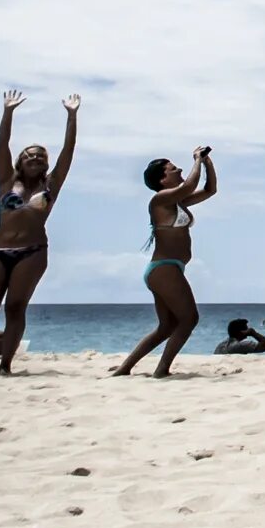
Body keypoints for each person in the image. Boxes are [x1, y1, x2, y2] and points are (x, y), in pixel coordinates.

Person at [0, 89, 78, 375]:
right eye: (29, 155)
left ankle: (5, 366)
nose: (35, 158)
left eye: (40, 156)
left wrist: (72, 117)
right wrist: (8, 112)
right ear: (20, 161)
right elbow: (2, 144)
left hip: (32, 251)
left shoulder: (51, 185)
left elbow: (68, 151)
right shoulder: (6, 180)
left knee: (14, 308)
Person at [114, 148, 217, 378]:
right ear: (162, 179)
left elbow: (210, 190)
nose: (179, 169)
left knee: (167, 327)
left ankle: (124, 368)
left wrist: (207, 162)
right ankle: (161, 369)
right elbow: (189, 186)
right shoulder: (159, 199)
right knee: (189, 319)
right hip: (164, 269)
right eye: (173, 169)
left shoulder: (178, 203)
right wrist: (197, 160)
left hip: (169, 269)